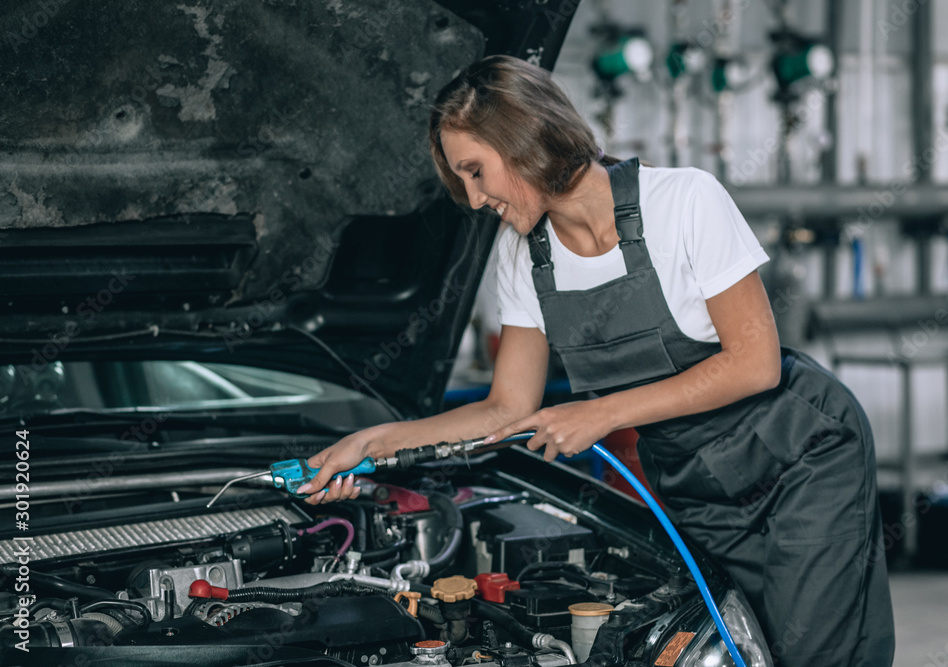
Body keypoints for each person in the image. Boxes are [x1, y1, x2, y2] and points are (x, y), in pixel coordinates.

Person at [298, 55, 895, 667]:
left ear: (523, 139)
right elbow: (507, 408)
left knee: (816, 651)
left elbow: (754, 364)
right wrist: (371, 443)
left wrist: (601, 412)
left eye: (477, 172)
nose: (475, 200)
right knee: (740, 642)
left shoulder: (685, 201)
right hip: (696, 484)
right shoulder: (523, 256)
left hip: (800, 455)